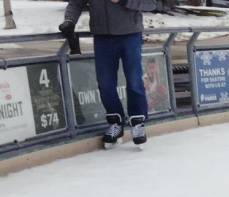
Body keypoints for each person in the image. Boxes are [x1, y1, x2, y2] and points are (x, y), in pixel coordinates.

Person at [60, 0, 160, 147]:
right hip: (102, 37)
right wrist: (69, 20)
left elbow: (151, 3)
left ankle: (137, 121)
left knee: (134, 81)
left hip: (130, 34)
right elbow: (76, 3)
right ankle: (115, 122)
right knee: (105, 83)